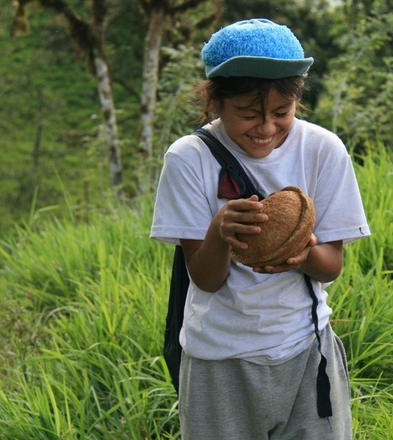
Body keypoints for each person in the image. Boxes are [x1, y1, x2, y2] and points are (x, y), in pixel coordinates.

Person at [150, 18, 369, 439]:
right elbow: (206, 279)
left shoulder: (323, 150)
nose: (266, 129)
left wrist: (301, 253)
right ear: (216, 103)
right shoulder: (188, 159)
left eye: (281, 113)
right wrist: (219, 232)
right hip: (219, 359)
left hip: (306, 349)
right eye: (247, 114)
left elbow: (331, 266)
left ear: (297, 101)